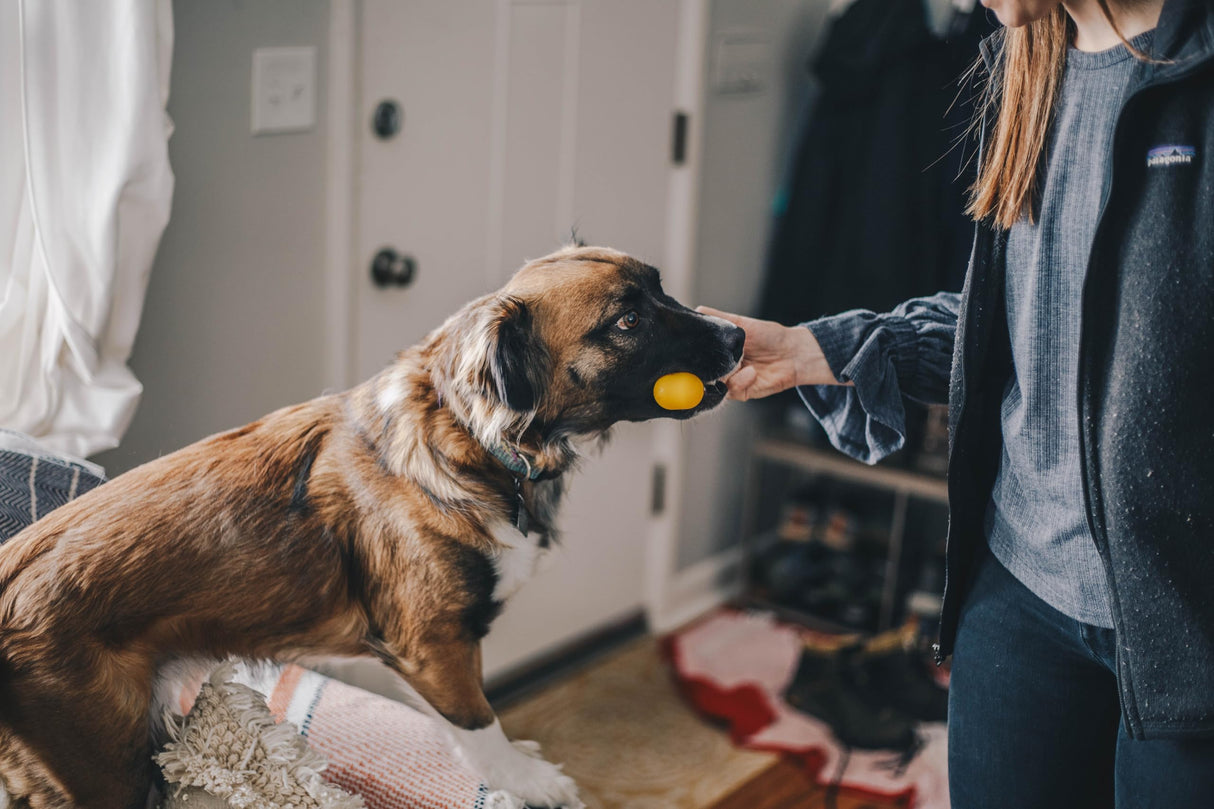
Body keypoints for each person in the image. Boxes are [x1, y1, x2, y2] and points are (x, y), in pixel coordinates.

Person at [703, 0, 1214, 805]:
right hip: (1017, 595)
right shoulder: (1025, 62)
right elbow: (1018, 319)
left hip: (1190, 634)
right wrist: (818, 349)